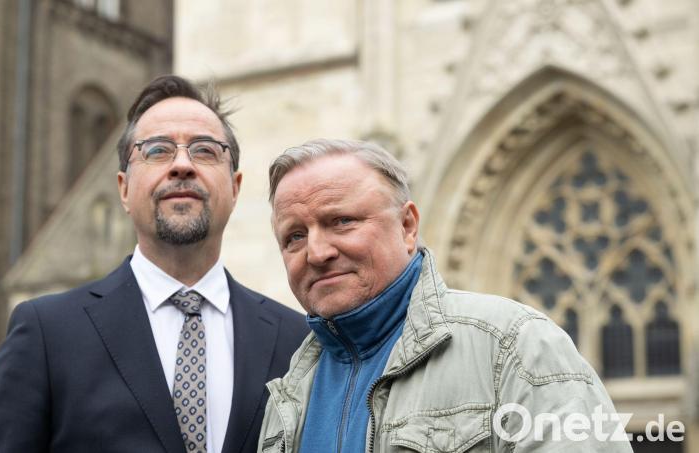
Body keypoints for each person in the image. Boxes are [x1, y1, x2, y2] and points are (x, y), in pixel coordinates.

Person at [0, 75, 308, 453]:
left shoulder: (296, 343)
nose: (182, 165)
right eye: (158, 150)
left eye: (205, 150)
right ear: (124, 189)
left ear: (236, 187)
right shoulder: (47, 334)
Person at [258, 139, 632, 452]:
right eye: (295, 236)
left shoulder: (514, 346)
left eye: (341, 221)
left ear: (407, 227)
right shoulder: (289, 393)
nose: (317, 252)